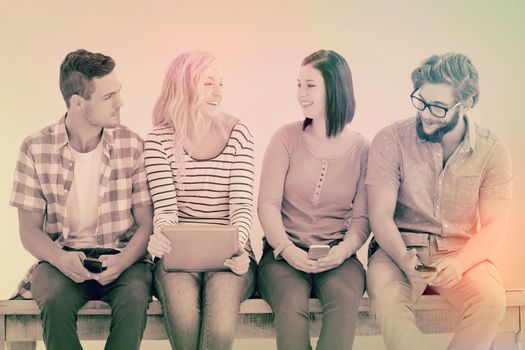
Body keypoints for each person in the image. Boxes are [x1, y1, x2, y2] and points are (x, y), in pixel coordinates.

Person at [366, 52, 513, 350]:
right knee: (387, 300)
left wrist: (461, 263)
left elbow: (496, 225)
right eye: (421, 101)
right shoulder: (390, 139)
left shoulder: (493, 151)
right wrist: (405, 258)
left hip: (462, 252)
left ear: (467, 104)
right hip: (399, 249)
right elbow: (379, 216)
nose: (426, 113)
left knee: (491, 302)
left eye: (439, 107)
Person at [9, 49, 153, 350]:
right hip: (62, 257)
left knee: (135, 298)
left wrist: (124, 260)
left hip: (123, 258)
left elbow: (146, 223)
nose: (120, 103)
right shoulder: (35, 148)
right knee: (53, 300)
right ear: (78, 102)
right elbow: (29, 230)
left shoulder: (132, 145)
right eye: (108, 97)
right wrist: (59, 258)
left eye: (119, 92)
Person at [257, 49, 370, 350]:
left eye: (310, 85)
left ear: (334, 88)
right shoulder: (285, 138)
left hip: (339, 257)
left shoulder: (362, 149)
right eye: (298, 84)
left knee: (344, 305)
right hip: (282, 257)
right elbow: (267, 203)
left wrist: (343, 251)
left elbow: (361, 219)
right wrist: (287, 249)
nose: (301, 94)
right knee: (292, 307)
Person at [144, 51, 256, 350]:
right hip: (178, 257)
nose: (218, 92)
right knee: (183, 318)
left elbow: (242, 207)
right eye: (208, 83)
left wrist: (238, 245)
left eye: (221, 83)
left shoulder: (239, 133)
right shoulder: (157, 140)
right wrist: (162, 238)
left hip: (231, 257)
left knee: (219, 325)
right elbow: (166, 209)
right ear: (185, 86)